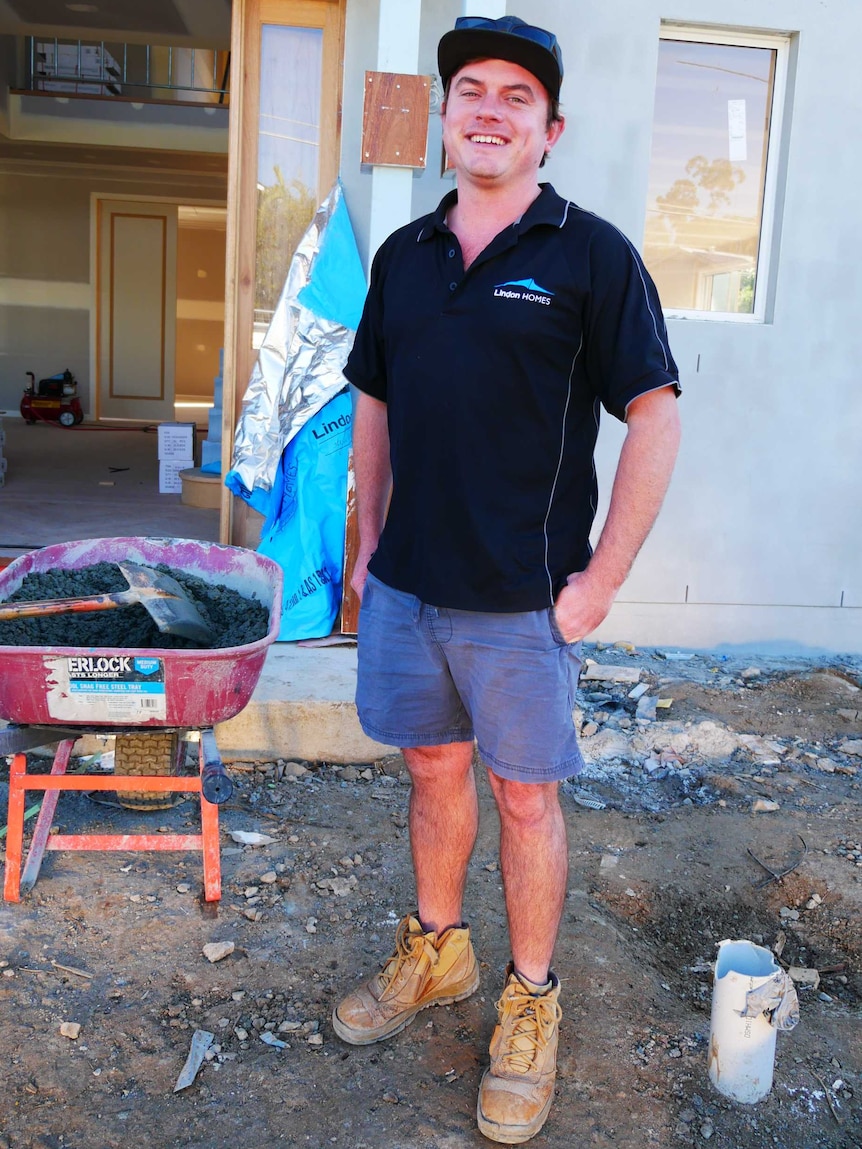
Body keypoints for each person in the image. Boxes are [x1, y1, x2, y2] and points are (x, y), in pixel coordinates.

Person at [333, 14, 681, 1144]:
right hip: (405, 589)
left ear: (549, 129)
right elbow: (374, 402)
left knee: (524, 796)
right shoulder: (403, 257)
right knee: (433, 771)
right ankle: (439, 953)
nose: (488, 108)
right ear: (443, 118)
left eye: (515, 97)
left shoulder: (591, 255)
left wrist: (603, 579)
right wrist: (361, 540)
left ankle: (530, 997)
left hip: (523, 599)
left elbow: (654, 415)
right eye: (469, 89)